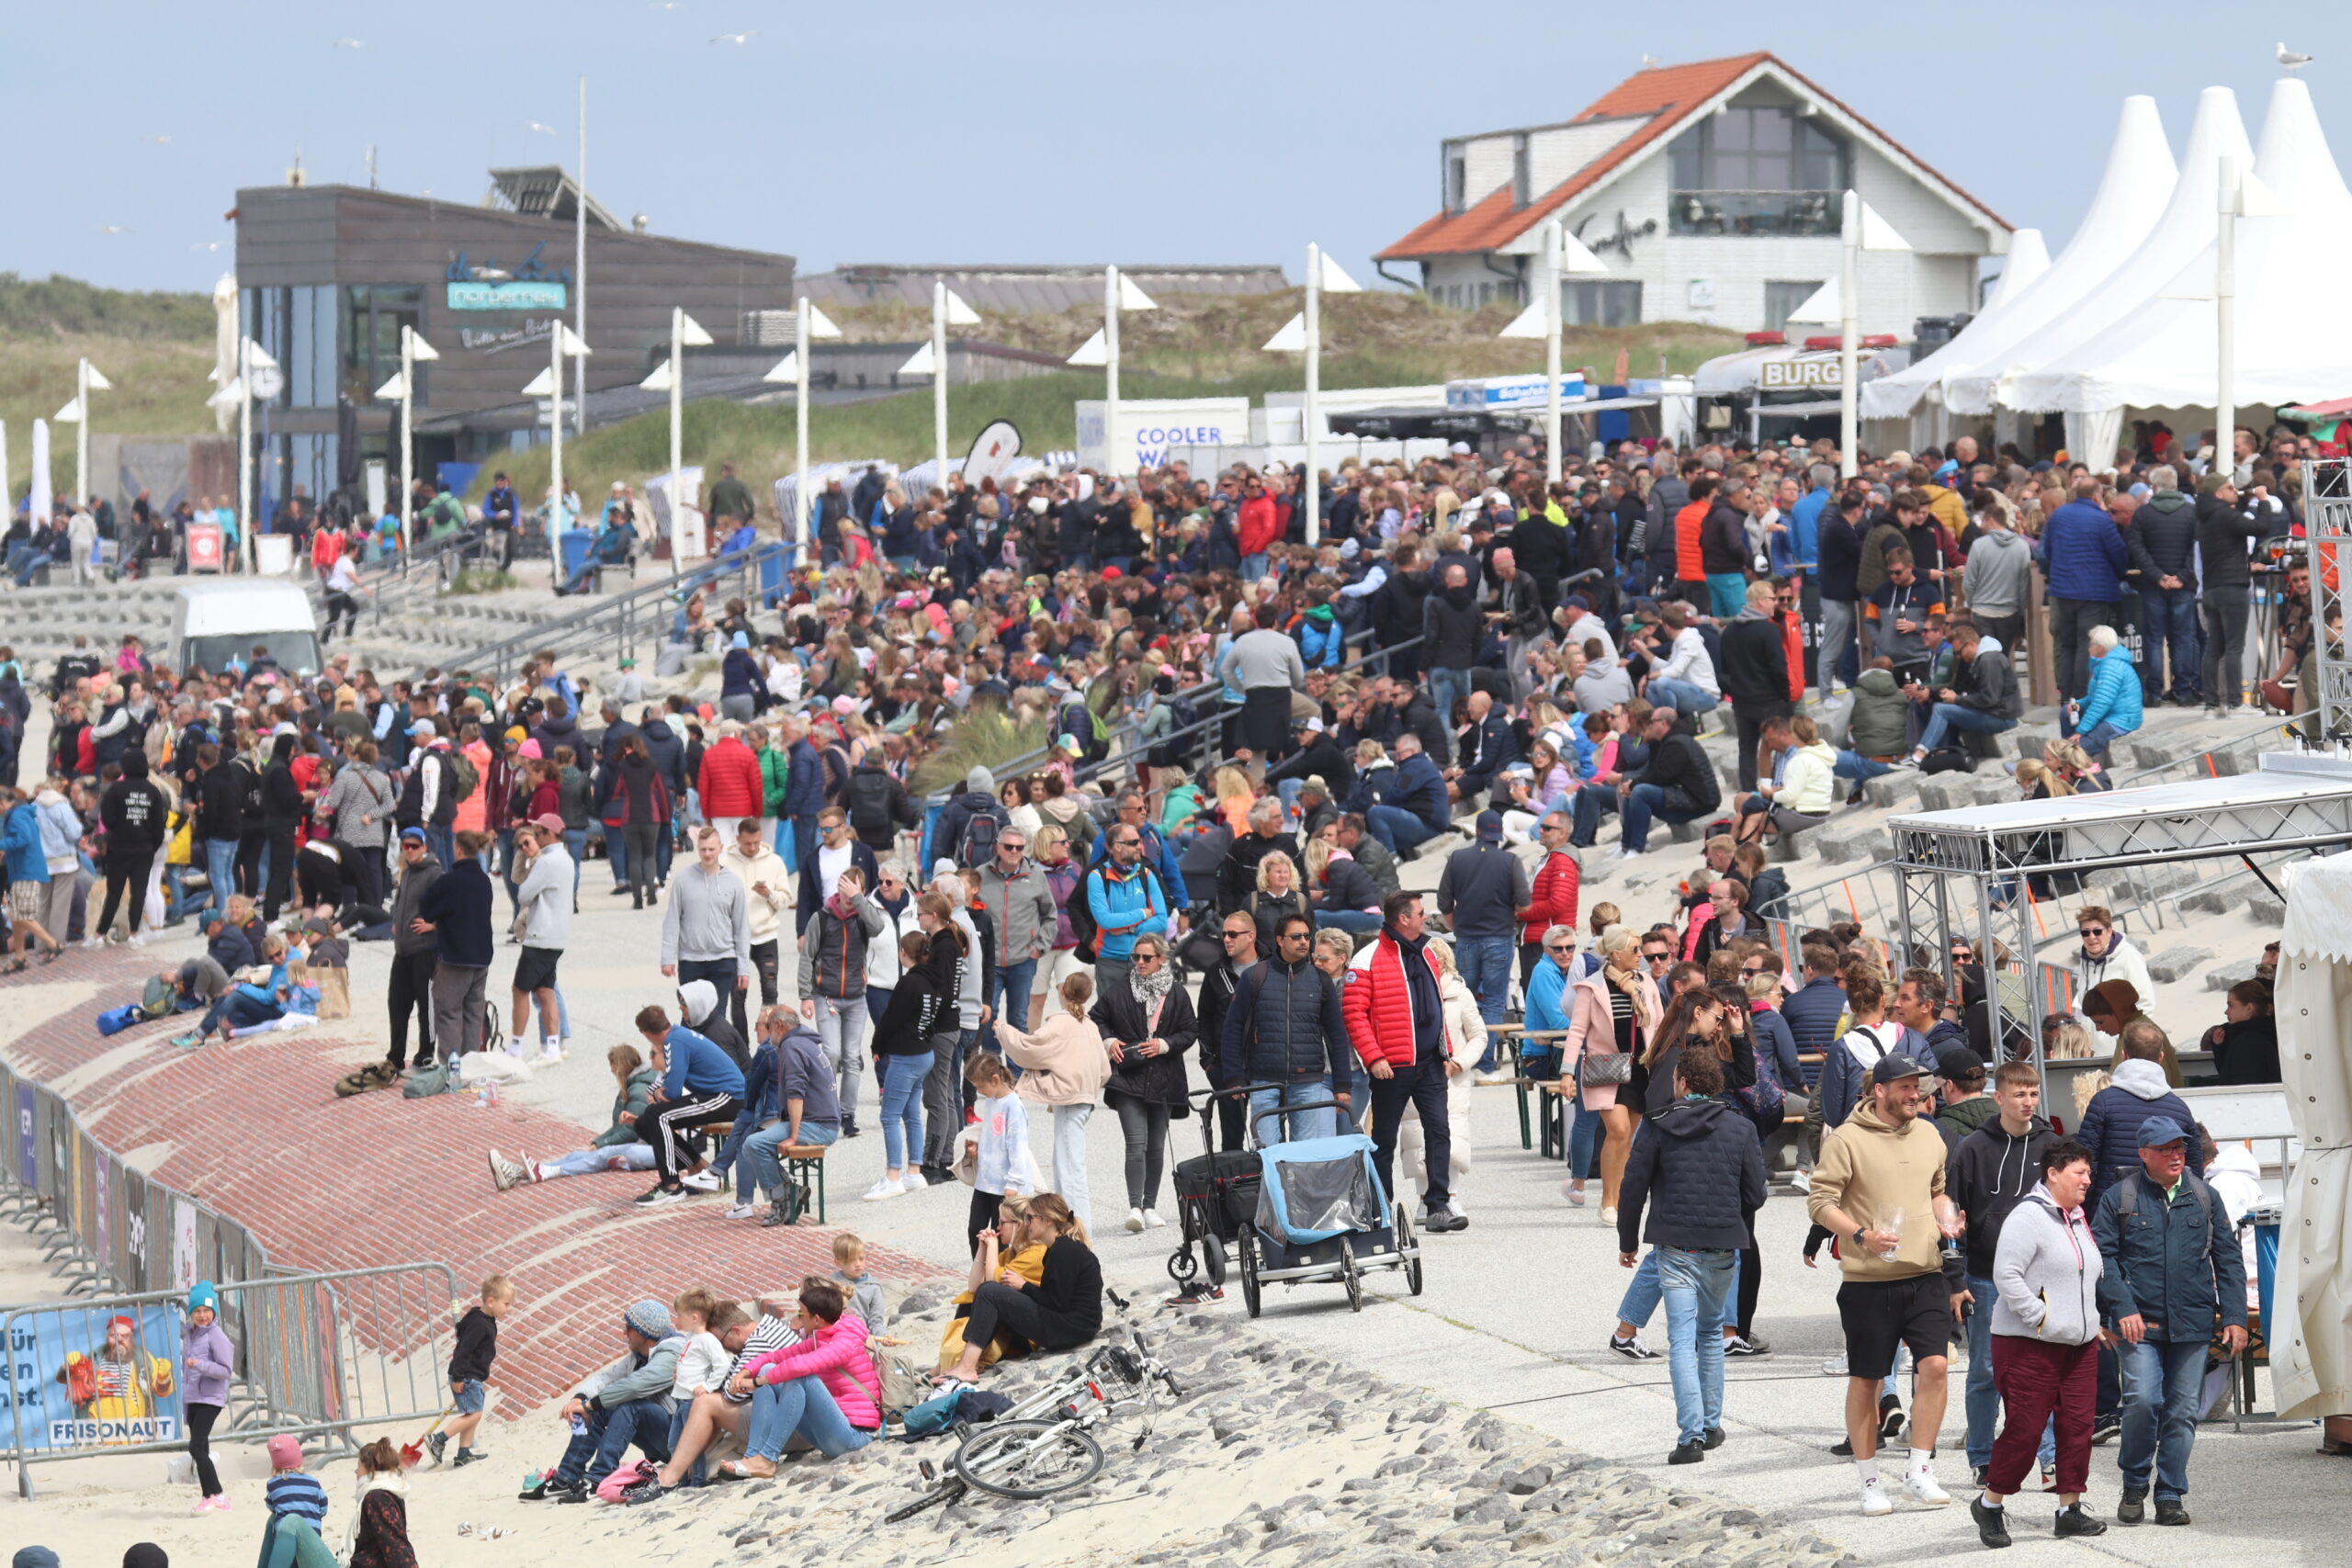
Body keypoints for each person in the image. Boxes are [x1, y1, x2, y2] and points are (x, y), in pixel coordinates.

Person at [1804, 1053, 1965, 1517]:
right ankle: (1869, 1480)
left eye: (1920, 1087)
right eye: (1907, 1087)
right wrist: (1860, 1235)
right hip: (1869, 1282)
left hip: (1925, 1273)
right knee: (1868, 1382)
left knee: (1934, 1367)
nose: (1917, 1095)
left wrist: (1946, 1216)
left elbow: (1937, 1188)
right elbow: (1820, 1202)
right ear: (1880, 1090)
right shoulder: (1847, 1139)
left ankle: (1919, 1471)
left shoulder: (1930, 1133)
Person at [2091, 1116, 2246, 1528]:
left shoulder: (2205, 1196)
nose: (2176, 1155)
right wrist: (2122, 1308)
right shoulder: (2118, 1198)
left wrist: (2234, 1317)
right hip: (2139, 1325)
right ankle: (2135, 1481)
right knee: (2142, 1401)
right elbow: (2101, 1258)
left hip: (2193, 1324)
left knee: (2181, 1412)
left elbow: (2228, 1261)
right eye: (2166, 1149)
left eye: (2179, 1148)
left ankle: (2170, 1492)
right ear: (2144, 1155)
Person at [1616, 1049, 1765, 1465]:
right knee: (1712, 1331)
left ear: (1681, 1083)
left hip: (1676, 1244)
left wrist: (1628, 1241)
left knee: (1681, 1338)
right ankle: (1712, 1424)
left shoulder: (1657, 1125)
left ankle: (1691, 1437)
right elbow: (1757, 1194)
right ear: (1715, 1085)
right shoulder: (1740, 1127)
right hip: (1722, 1244)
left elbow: (1633, 1187)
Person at [1970, 1138, 2109, 1549]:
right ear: (2052, 1173)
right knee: (2026, 1430)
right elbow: (2006, 1275)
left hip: (2078, 1345)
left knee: (2078, 1428)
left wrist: (2090, 1321)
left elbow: (2085, 1276)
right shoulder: (2028, 1217)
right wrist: (2042, 1318)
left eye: (2088, 1171)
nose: (2088, 1178)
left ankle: (2070, 1509)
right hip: (2029, 1344)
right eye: (2078, 1172)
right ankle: (1990, 1503)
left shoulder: (2078, 1218)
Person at [1948, 1062, 2057, 1486]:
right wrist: (1953, 1279)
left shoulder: (2052, 1144)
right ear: (1998, 1098)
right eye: (2019, 1094)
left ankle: (2047, 1458)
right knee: (1986, 1371)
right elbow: (1951, 1215)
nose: (2028, 1102)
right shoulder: (1973, 1147)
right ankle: (1981, 1457)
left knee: (2040, 1370)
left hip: (2041, 1278)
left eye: (2033, 1094)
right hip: (1985, 1275)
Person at [1345, 892, 1467, 1233]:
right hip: (1390, 1065)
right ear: (1403, 918)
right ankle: (1381, 1207)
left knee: (1439, 1131)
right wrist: (1374, 1057)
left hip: (1429, 1062)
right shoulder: (1365, 959)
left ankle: (1438, 1205)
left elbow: (1436, 1006)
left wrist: (1445, 1050)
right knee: (1383, 1138)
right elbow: (1354, 1015)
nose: (1425, 918)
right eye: (1420, 913)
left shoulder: (1428, 952)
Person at [933, 1194, 1102, 1395]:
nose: (1027, 1223)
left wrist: (1024, 1287)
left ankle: (967, 1367)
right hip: (1069, 1325)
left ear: (1047, 1221)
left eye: (1030, 1218)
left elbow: (1058, 1303)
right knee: (981, 1295)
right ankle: (961, 1363)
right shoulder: (1057, 1248)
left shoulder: (1063, 1250)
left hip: (1070, 1330)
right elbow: (1055, 1299)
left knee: (990, 1292)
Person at [526, 1301, 685, 1502]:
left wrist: (590, 1404)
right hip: (663, 1438)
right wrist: (580, 1400)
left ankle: (598, 1478)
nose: (624, 1334)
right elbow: (606, 1379)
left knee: (630, 1406)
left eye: (629, 1328)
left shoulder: (673, 1352)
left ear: (644, 1333)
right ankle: (566, 1478)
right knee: (591, 1411)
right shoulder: (639, 1355)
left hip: (682, 1442)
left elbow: (636, 1385)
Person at [1222, 911, 1354, 1145]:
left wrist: (1342, 1084)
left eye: (1306, 936)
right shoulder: (1255, 976)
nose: (1304, 941)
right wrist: (1234, 1077)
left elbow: (1336, 1035)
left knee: (1304, 1155)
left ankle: (1298, 1185)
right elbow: (1233, 1028)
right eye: (1296, 936)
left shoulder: (1320, 980)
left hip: (1308, 1082)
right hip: (1264, 1080)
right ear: (1280, 940)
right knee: (1267, 1152)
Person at [1094, 931, 1196, 1234]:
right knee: (1135, 1144)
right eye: (1136, 957)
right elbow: (1096, 1017)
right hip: (1128, 1077)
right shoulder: (1121, 989)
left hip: (1164, 1077)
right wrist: (1109, 1041)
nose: (1140, 962)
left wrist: (1164, 1044)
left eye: (1146, 958)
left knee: (1156, 1146)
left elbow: (1190, 1030)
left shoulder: (1176, 992)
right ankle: (1135, 1206)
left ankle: (1150, 1206)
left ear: (1162, 959)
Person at [994, 973, 1113, 1233]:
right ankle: (1069, 1230)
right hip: (1081, 1099)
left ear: (1063, 992)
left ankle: (1079, 1233)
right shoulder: (1090, 1026)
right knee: (1066, 1167)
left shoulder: (1061, 1024)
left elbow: (1030, 1048)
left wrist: (1003, 1030)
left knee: (1070, 1171)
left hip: (1069, 1099)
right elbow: (1105, 1071)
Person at [1564, 926, 1662, 1223]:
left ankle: (1620, 1198)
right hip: (1605, 1067)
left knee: (1628, 1137)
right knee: (1617, 1131)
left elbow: (1658, 1025)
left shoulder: (1645, 983)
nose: (1640, 955)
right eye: (1635, 950)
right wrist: (1567, 1072)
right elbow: (1577, 1031)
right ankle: (1608, 1200)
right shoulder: (1592, 988)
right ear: (1616, 954)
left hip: (1641, 1068)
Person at [797, 863, 883, 1137]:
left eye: (853, 891)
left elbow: (878, 927)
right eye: (843, 890)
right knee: (831, 1052)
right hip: (827, 995)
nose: (848, 897)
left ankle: (848, 1114)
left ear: (861, 891)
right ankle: (827, 1109)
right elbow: (807, 957)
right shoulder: (821, 918)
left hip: (856, 997)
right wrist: (805, 995)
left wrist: (859, 900)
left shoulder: (864, 915)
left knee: (852, 1057)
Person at [1435, 810, 1531, 1055]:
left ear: (1477, 831)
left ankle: (1461, 1053)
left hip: (1466, 939)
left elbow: (1444, 902)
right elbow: (1523, 904)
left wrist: (1457, 926)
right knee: (1494, 1001)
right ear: (1499, 833)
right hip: (1499, 937)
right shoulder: (1510, 861)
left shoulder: (1457, 858)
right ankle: (1484, 1060)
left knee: (1463, 998)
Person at [633, 1005, 747, 1206]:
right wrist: (663, 1092)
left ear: (646, 1033)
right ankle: (698, 1167)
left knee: (657, 1115)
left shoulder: (673, 1041)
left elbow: (673, 1090)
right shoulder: (677, 1035)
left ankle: (671, 1186)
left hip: (727, 1097)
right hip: (712, 1094)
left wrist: (660, 1093)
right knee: (644, 1122)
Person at [865, 929, 944, 1201]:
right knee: (911, 1113)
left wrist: (878, 1045)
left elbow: (891, 1018)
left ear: (903, 953)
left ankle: (893, 1176)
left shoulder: (909, 983)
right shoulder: (934, 980)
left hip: (906, 1056)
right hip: (925, 1052)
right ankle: (914, 1171)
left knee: (889, 1116)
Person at [415, 829, 494, 1064]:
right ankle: (471, 1064)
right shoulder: (484, 881)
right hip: (481, 956)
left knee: (448, 1011)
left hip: (456, 955)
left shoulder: (449, 881)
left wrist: (438, 920)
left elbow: (427, 907)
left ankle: (450, 1067)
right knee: (473, 1013)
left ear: (458, 849)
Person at [507, 818, 573, 1064]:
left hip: (540, 935)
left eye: (538, 832)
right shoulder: (565, 858)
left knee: (520, 989)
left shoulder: (547, 862)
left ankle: (516, 1045)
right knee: (545, 990)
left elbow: (523, 894)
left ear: (549, 834)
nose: (536, 836)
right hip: (557, 934)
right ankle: (553, 1046)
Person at [961, 1051, 1043, 1251]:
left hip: (1005, 1184)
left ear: (995, 1079)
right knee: (976, 1230)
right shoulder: (991, 1102)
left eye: (981, 1086)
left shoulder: (1013, 1106)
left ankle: (997, 1275)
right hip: (986, 1180)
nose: (980, 1091)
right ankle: (981, 1272)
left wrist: (1013, 1182)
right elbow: (992, 1138)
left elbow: (1017, 1147)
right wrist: (977, 1151)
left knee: (1002, 1236)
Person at [1194, 909, 1260, 1156]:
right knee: (1231, 1139)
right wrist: (1208, 1062)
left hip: (1265, 1064)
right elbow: (1204, 1018)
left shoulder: (1270, 965)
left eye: (1233, 934)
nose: (1227, 939)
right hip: (1226, 1067)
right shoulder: (1216, 971)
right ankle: (1233, 1191)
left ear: (1251, 936)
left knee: (1269, 1133)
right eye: (1224, 934)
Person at [662, 825, 753, 1001]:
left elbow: (741, 927)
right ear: (698, 850)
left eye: (712, 849)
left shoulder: (733, 883)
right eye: (703, 849)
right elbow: (672, 921)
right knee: (691, 1016)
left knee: (716, 1017)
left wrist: (743, 968)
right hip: (691, 959)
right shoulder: (683, 880)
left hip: (723, 958)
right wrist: (668, 958)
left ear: (720, 848)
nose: (707, 854)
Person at [720, 817, 790, 1043]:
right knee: (738, 997)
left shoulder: (775, 862)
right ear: (738, 839)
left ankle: (770, 1045)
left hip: (766, 935)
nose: (752, 848)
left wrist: (768, 894)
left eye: (756, 843)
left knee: (770, 993)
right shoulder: (725, 862)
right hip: (735, 939)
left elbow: (786, 899)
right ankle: (742, 1048)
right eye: (747, 843)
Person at [434, 1274, 514, 1469]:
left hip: (473, 1375)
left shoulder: (481, 1318)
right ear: (490, 1301)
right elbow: (464, 1350)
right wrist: (460, 1377)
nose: (509, 1309)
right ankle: (439, 1439)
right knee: (474, 1414)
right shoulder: (479, 1323)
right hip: (467, 1376)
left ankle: (463, 1453)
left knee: (472, 1413)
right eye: (506, 1304)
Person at [180, 1280, 235, 1514]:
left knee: (196, 1447)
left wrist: (201, 1365)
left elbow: (225, 1370)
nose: (202, 1315)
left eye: (206, 1311)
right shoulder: (190, 1335)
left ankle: (218, 1494)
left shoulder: (217, 1335)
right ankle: (208, 1496)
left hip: (210, 1399)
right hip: (194, 1397)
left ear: (214, 1312)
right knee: (201, 1445)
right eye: (197, 1311)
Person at [2065, 625, 2142, 760]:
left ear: (2100, 647)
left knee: (2078, 751)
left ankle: (2071, 757)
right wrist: (2074, 706)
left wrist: (2081, 731)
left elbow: (2101, 703)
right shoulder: (2104, 664)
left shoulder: (2110, 667)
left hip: (2120, 720)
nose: (2088, 647)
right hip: (2110, 714)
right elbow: (2093, 698)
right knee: (2065, 713)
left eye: (2091, 644)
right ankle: (2067, 747)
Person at [344, 1438, 416, 1568]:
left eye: (359, 1466)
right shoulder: (390, 1490)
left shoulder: (377, 1497)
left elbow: (394, 1543)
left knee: (298, 1526)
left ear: (370, 1469)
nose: (356, 1471)